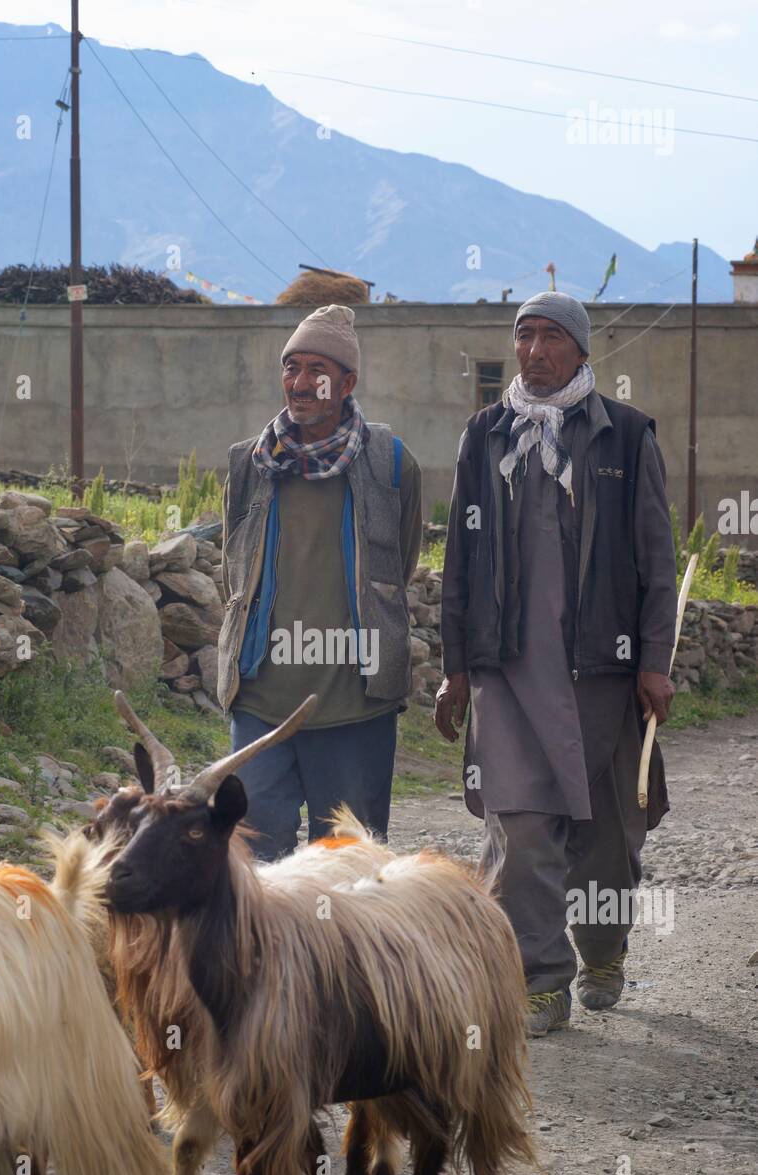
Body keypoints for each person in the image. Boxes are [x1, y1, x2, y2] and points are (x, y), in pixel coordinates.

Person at [436, 291, 677, 1037]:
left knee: (607, 835)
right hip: (505, 667)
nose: (534, 350)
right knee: (523, 828)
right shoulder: (485, 436)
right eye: (524, 336)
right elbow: (459, 560)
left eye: (550, 338)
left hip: (598, 670)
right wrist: (456, 667)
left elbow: (656, 561)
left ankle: (603, 947)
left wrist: (654, 659)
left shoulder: (626, 436)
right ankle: (540, 980)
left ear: (581, 352)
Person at [217, 303, 422, 860]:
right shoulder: (249, 464)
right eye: (291, 367)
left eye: (317, 371)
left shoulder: (391, 464)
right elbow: (234, 570)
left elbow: (397, 570)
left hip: (355, 703)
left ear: (348, 382)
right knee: (257, 863)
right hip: (261, 699)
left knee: (348, 866)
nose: (300, 384)